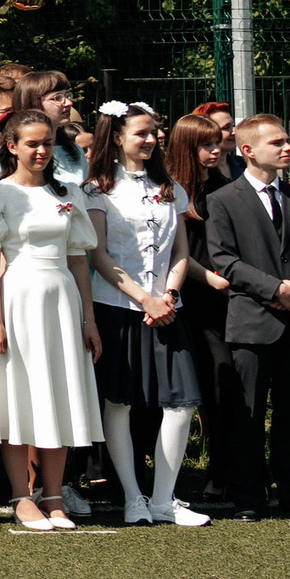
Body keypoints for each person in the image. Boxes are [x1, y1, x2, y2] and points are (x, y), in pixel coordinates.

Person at [0, 110, 104, 531]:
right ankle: (21, 496)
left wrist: (89, 319)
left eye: (47, 142)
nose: (41, 150)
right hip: (19, 301)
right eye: (32, 143)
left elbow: (79, 259)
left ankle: (53, 496)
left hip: (63, 301)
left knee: (61, 393)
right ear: (11, 146)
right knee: (19, 396)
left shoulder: (69, 192)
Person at [204, 114, 290, 521]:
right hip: (252, 323)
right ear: (247, 150)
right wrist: (274, 290)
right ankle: (247, 495)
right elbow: (223, 259)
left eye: (287, 140)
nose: (288, 147)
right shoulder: (222, 200)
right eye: (277, 141)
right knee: (247, 413)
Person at [83, 102, 208, 527]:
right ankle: (133, 498)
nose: (152, 139)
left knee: (181, 404)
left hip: (167, 310)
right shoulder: (97, 189)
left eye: (155, 131)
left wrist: (168, 294)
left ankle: (163, 499)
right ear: (117, 137)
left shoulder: (171, 186)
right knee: (119, 403)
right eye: (142, 133)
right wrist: (144, 299)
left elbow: (180, 250)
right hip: (119, 308)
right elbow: (98, 256)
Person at [164, 112, 242, 504]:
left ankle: (222, 471)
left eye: (219, 143)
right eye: (206, 145)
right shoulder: (170, 190)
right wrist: (206, 277)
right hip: (181, 296)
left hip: (220, 299)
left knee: (221, 382)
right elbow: (175, 251)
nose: (216, 150)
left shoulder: (226, 186)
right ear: (186, 147)